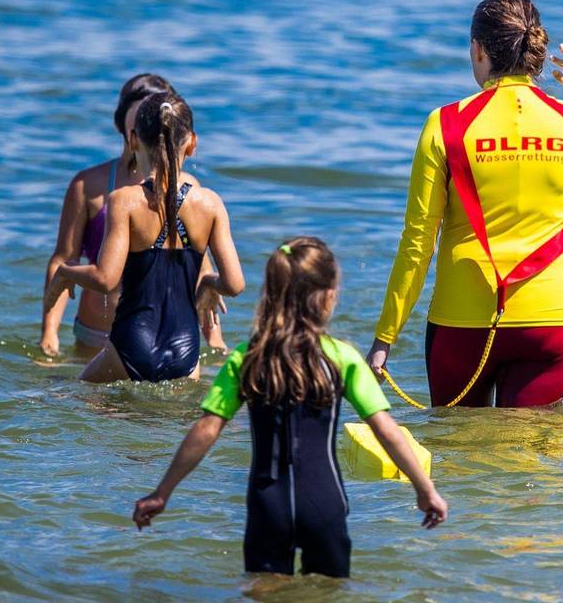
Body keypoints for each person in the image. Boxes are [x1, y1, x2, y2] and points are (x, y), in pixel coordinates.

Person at [367, 0, 563, 408]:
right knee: (533, 460)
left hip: (463, 321)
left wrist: (385, 336)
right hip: (551, 320)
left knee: (459, 457)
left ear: (478, 50)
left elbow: (418, 243)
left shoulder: (446, 124)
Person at [132, 238, 447, 578]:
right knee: (326, 601)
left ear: (272, 293)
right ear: (328, 296)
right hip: (323, 503)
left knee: (266, 598)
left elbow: (206, 430)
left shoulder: (248, 357)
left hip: (269, 505)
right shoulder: (341, 358)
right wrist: (424, 489)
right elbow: (385, 429)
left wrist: (162, 493)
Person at [48, 92, 244, 382]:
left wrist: (65, 273)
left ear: (134, 139)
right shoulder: (211, 203)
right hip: (187, 352)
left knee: (72, 399)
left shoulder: (123, 200)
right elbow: (235, 284)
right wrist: (209, 284)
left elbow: (106, 278)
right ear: (192, 143)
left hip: (131, 345)